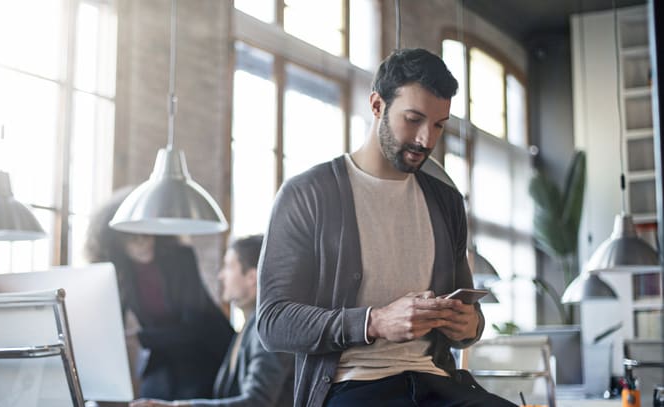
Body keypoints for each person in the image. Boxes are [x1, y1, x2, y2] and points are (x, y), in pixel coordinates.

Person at [256, 48, 516, 407]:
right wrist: (374, 322)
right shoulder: (308, 194)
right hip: (352, 387)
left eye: (439, 125)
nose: (427, 139)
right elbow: (273, 322)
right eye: (413, 119)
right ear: (377, 105)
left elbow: (470, 322)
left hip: (436, 382)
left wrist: (468, 326)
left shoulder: (447, 203)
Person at [84, 187, 234, 401]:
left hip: (204, 351)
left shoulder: (181, 257)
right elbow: (112, 321)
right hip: (164, 356)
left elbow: (195, 327)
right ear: (115, 241)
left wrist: (141, 337)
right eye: (132, 237)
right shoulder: (120, 273)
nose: (143, 242)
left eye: (146, 232)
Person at [130, 234, 294, 407]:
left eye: (229, 266)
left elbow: (257, 402)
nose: (221, 275)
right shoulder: (248, 327)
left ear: (251, 277)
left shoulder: (267, 331)